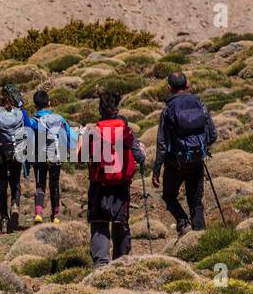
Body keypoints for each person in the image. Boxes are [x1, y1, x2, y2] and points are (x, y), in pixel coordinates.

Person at [78, 91, 145, 266]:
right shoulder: (126, 131)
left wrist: (81, 137)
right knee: (119, 222)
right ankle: (121, 261)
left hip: (99, 185)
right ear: (116, 109)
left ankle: (101, 264)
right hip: (121, 185)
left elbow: (80, 158)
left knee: (99, 223)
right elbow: (140, 157)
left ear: (101, 109)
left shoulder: (94, 131)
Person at [153, 71, 218, 234]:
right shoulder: (200, 104)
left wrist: (156, 170)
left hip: (175, 163)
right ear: (187, 85)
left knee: (169, 196)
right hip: (197, 160)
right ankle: (200, 237)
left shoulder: (167, 110)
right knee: (196, 202)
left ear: (169, 88)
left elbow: (162, 144)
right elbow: (213, 134)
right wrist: (200, 147)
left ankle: (182, 222)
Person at [0, 84, 36, 233]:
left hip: (0, 151)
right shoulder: (21, 112)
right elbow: (29, 129)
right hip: (16, 151)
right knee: (15, 181)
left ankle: (4, 219)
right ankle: (14, 205)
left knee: (1, 185)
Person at [30, 89, 74, 224]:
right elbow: (70, 135)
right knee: (54, 184)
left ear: (35, 106)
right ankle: (56, 216)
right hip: (56, 155)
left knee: (40, 185)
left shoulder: (33, 120)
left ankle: (38, 213)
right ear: (49, 103)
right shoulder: (59, 118)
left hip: (40, 157)